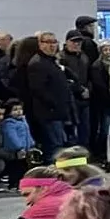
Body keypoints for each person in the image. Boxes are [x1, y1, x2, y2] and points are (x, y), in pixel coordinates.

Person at [25, 31, 75, 161]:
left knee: (60, 145)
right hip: (49, 113)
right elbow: (38, 89)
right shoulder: (38, 63)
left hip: (58, 111)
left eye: (54, 42)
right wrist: (54, 104)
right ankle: (51, 177)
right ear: (40, 44)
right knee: (54, 147)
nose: (52, 45)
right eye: (47, 42)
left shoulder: (51, 61)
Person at [60, 33, 94, 149]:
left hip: (85, 99)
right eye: (73, 41)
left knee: (85, 130)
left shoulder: (84, 57)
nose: (76, 44)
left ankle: (85, 155)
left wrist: (89, 90)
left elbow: (90, 76)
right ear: (67, 42)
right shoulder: (61, 58)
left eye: (79, 42)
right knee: (71, 130)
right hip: (70, 99)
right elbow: (63, 80)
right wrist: (79, 89)